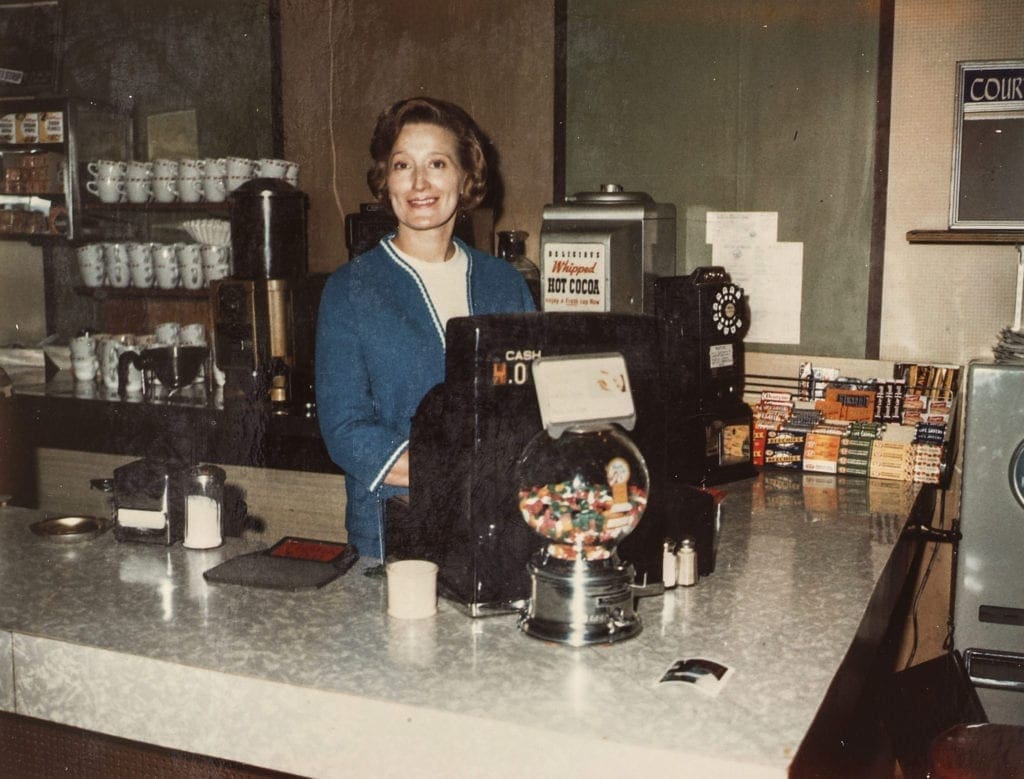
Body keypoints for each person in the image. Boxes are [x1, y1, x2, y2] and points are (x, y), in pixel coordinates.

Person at [315, 97, 536, 559]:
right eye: (402, 165)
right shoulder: (351, 289)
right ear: (386, 180)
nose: (419, 183)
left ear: (465, 176)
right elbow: (346, 429)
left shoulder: (505, 284)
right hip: (395, 534)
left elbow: (531, 407)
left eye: (437, 163)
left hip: (499, 530)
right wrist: (457, 474)